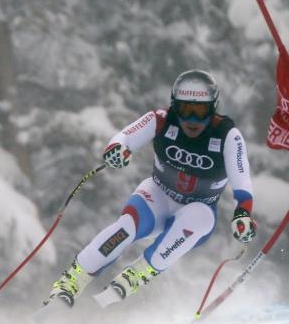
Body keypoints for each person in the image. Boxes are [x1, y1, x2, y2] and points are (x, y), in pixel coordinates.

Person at [46, 69, 257, 308]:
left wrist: (243, 214)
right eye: (185, 109)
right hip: (158, 195)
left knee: (199, 219)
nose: (192, 120)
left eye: (200, 111)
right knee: (125, 228)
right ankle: (70, 282)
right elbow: (124, 137)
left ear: (213, 108)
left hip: (198, 207)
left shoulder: (228, 135)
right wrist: (117, 150)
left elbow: (242, 182)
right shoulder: (161, 119)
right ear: (174, 106)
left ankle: (133, 277)